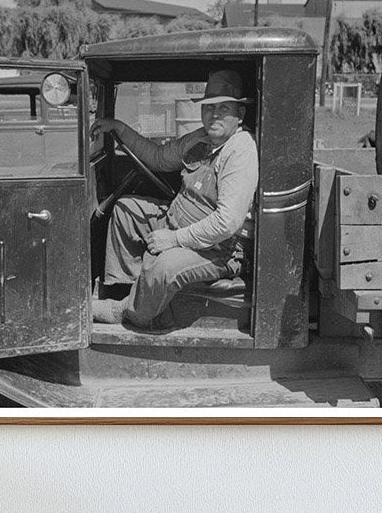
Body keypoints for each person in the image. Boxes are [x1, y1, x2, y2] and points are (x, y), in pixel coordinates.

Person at [90, 69, 259, 328]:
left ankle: (127, 312)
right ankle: (132, 294)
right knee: (126, 211)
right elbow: (158, 157)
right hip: (176, 223)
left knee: (165, 266)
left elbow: (227, 223)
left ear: (240, 113)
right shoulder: (201, 138)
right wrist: (118, 128)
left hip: (219, 248)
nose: (214, 114)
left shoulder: (240, 149)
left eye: (224, 108)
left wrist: (174, 239)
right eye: (209, 107)